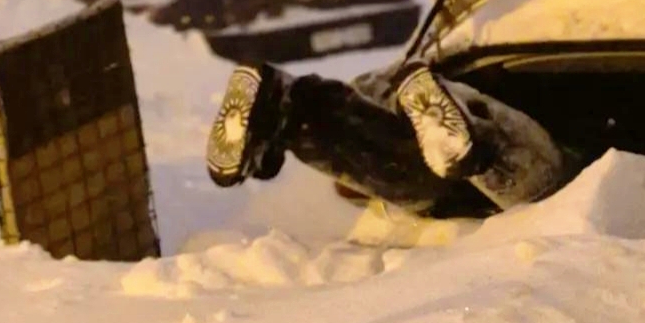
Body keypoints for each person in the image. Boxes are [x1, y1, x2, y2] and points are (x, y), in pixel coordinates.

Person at [204, 54, 570, 219]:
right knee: (551, 194)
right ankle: (477, 139)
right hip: (515, 147)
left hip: (390, 88)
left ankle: (291, 105)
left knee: (405, 167)